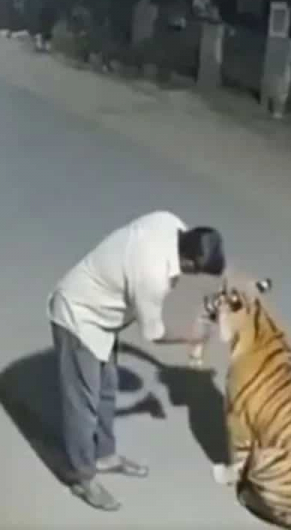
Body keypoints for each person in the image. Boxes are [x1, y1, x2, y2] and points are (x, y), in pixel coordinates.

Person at [47, 211, 226, 511]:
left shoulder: (170, 222)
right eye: (198, 271)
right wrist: (192, 336)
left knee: (107, 388)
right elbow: (153, 333)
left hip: (104, 317)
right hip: (78, 315)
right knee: (83, 404)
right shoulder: (152, 275)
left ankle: (105, 455)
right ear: (190, 263)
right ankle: (82, 477)